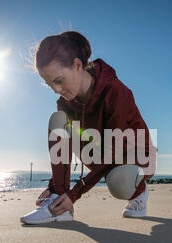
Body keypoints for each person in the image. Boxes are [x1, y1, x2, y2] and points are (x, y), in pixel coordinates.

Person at [20, 31, 157, 225]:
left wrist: (75, 194)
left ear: (77, 65)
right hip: (99, 152)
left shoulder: (115, 92)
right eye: (49, 84)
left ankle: (139, 191)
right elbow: (63, 149)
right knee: (58, 120)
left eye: (59, 80)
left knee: (119, 182)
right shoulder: (65, 103)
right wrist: (56, 188)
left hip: (133, 156)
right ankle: (59, 208)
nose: (56, 90)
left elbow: (114, 152)